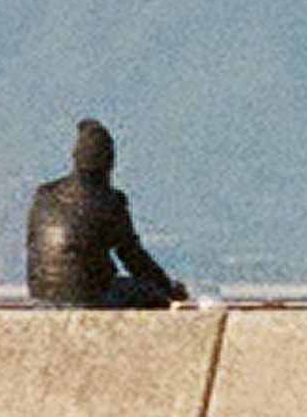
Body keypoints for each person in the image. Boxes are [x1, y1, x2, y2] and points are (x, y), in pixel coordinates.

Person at [24, 120, 188, 308]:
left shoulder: (44, 194)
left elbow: (32, 244)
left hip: (43, 295)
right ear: (109, 163)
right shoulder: (110, 201)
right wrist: (167, 288)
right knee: (151, 295)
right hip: (90, 295)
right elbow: (133, 258)